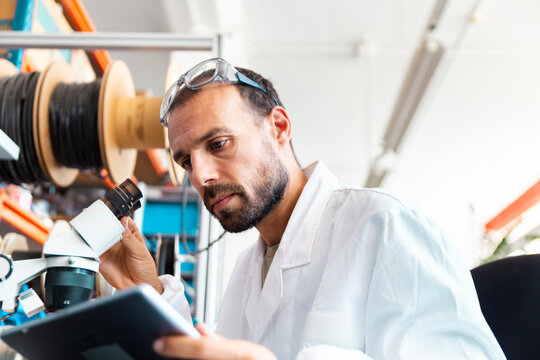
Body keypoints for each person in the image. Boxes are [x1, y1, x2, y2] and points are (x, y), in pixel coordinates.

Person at [99, 58, 505, 359]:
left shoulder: (384, 224)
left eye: (218, 144)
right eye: (186, 161)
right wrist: (148, 293)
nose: (201, 175)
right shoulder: (246, 272)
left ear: (278, 127)